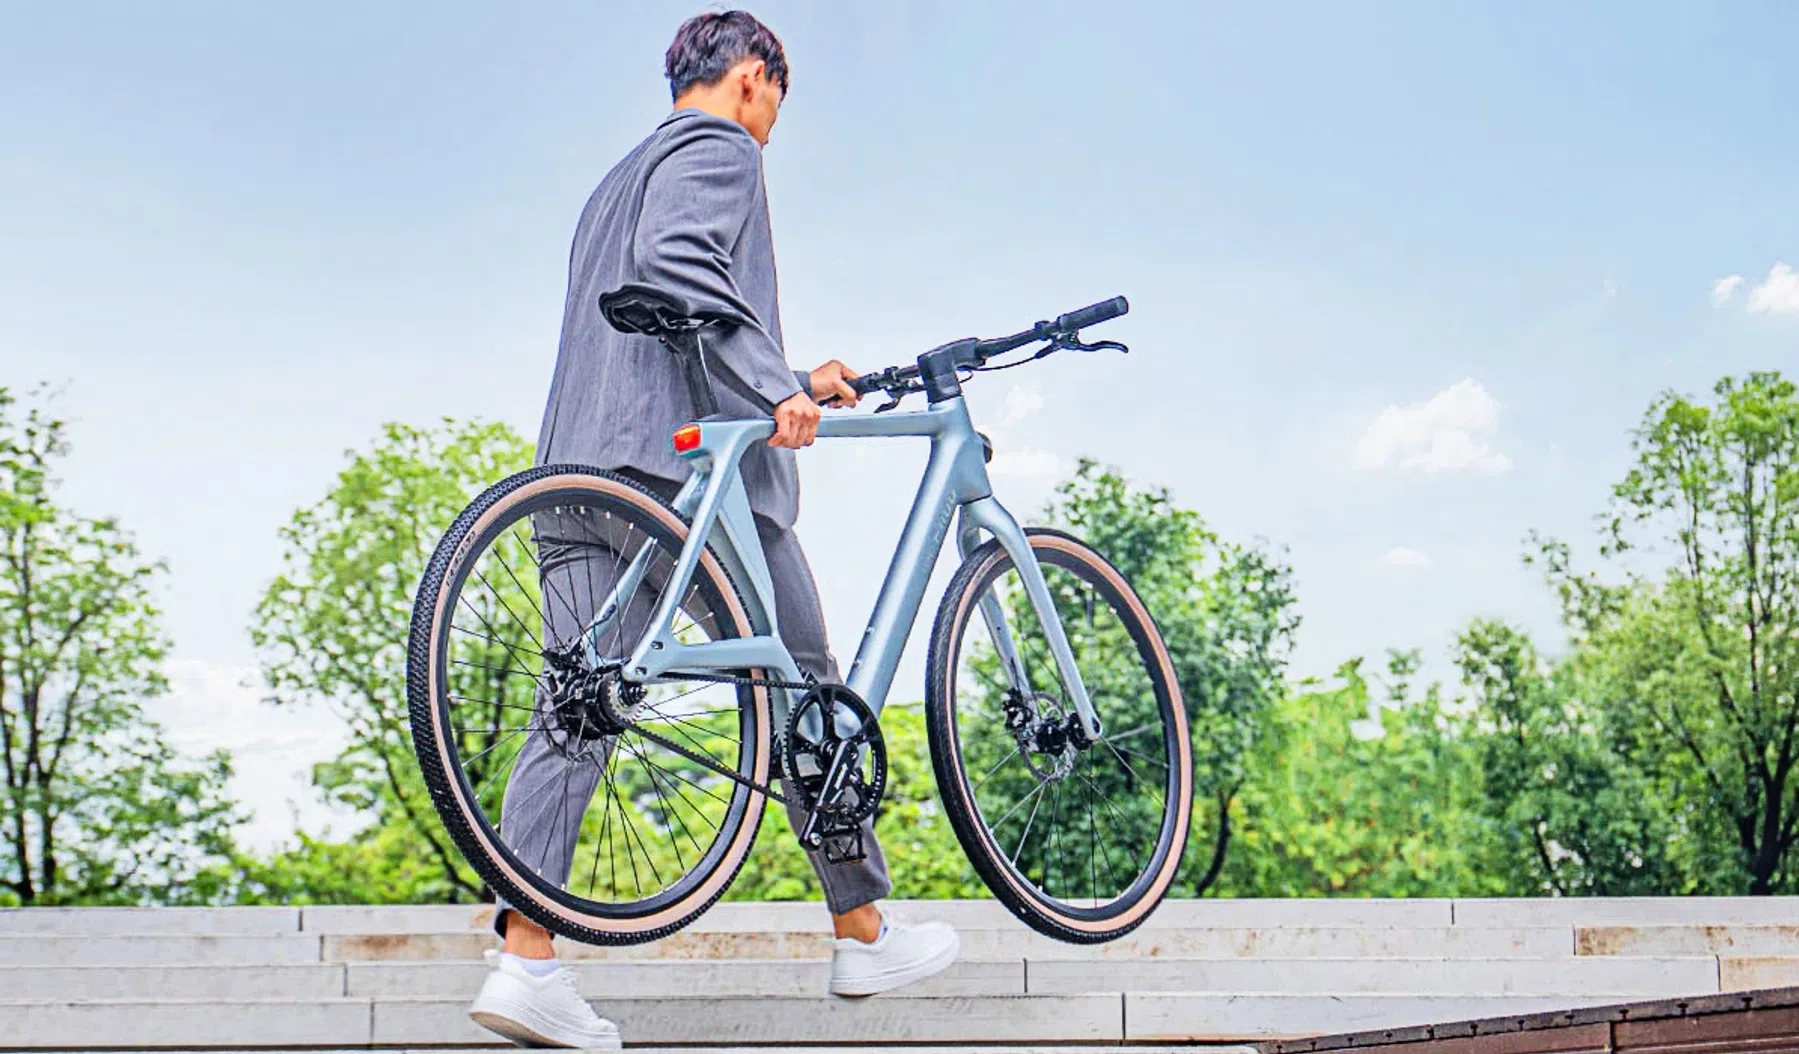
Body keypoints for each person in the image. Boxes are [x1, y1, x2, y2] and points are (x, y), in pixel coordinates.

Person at [467, 11, 960, 1049]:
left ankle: (525, 960)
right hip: (687, 473)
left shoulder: (618, 175)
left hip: (578, 463)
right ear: (751, 78)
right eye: (778, 100)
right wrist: (768, 388)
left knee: (577, 702)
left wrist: (793, 375)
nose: (774, 124)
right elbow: (683, 261)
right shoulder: (718, 146)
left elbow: (655, 297)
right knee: (809, 687)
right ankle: (862, 927)